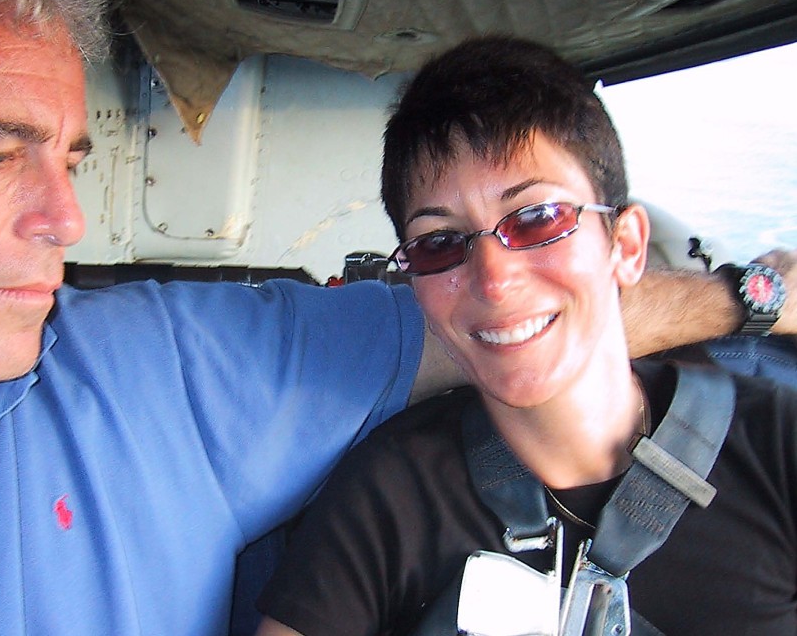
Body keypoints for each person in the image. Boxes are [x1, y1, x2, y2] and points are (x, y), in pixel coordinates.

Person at [0, 0, 791, 634]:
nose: (66, 219)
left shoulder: (163, 364)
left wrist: (752, 298)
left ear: (623, 236)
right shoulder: (394, 502)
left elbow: (510, 321)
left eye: (71, 162)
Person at [254, 37, 797, 635]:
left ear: (626, 246)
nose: (493, 280)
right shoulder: (385, 497)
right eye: (439, 242)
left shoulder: (777, 443)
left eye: (538, 218)